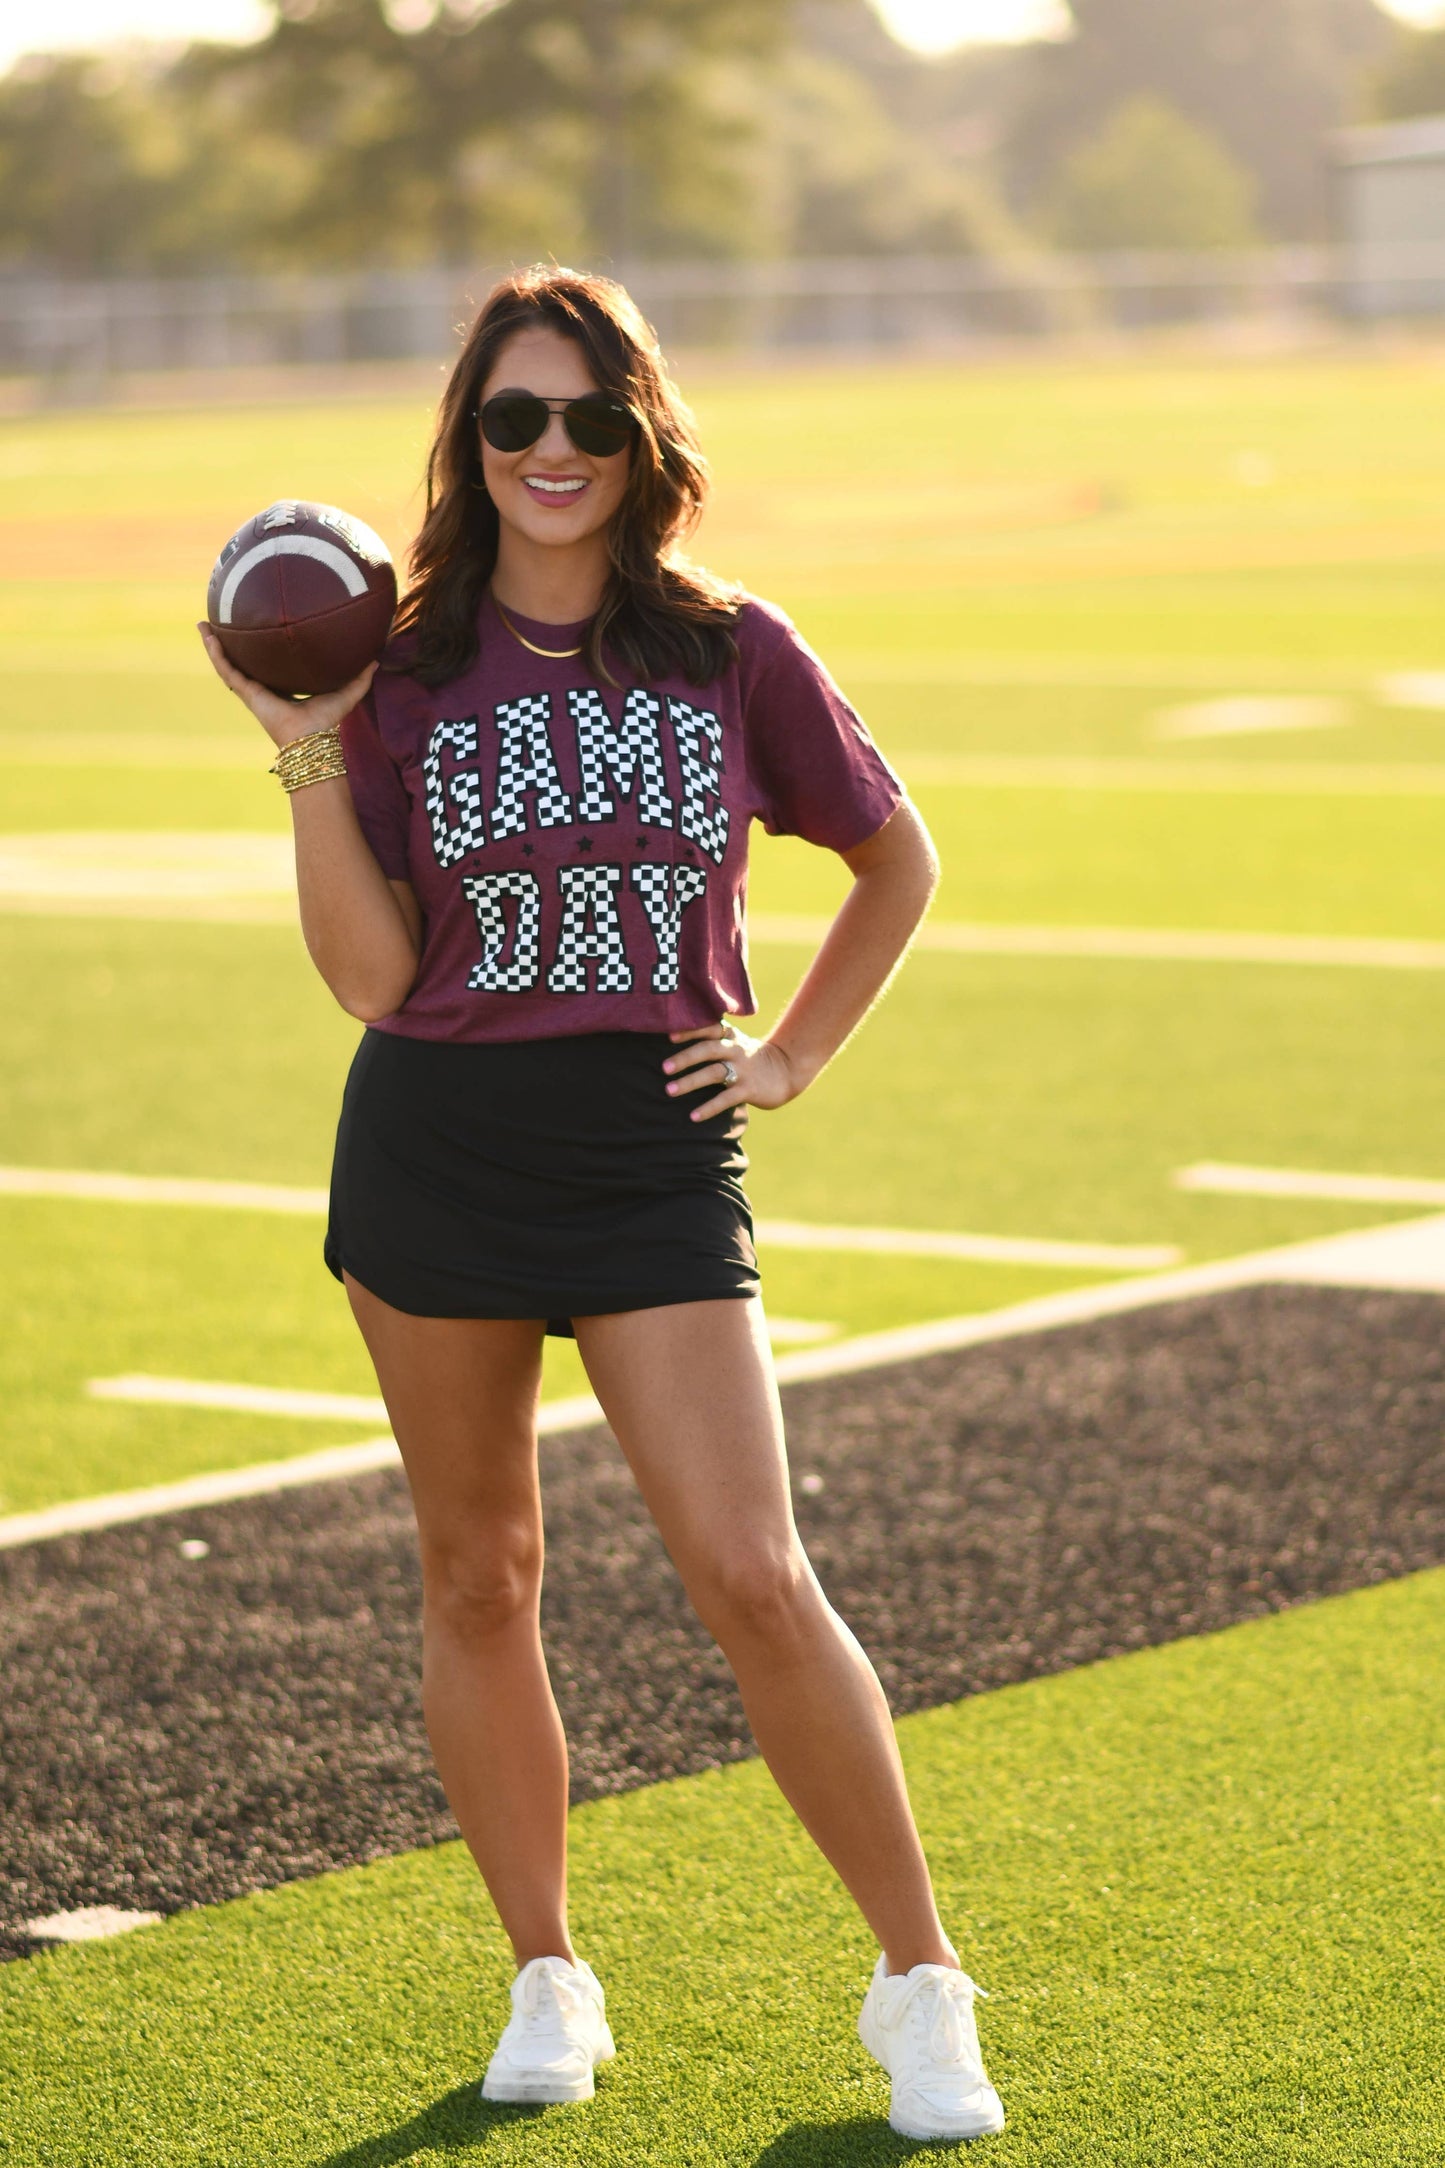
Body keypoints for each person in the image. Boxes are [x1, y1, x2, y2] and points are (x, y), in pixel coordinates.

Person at [198, 264, 1004, 2146]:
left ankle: (918, 1982)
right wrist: (304, 747)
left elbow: (895, 856)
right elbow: (373, 982)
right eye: (511, 419)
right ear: (467, 446)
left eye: (587, 418)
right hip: (438, 1142)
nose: (550, 452)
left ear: (643, 436)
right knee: (480, 1573)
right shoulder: (392, 668)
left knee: (751, 1573)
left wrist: (791, 1053)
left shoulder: (729, 648)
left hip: (650, 1143)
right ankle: (545, 1972)